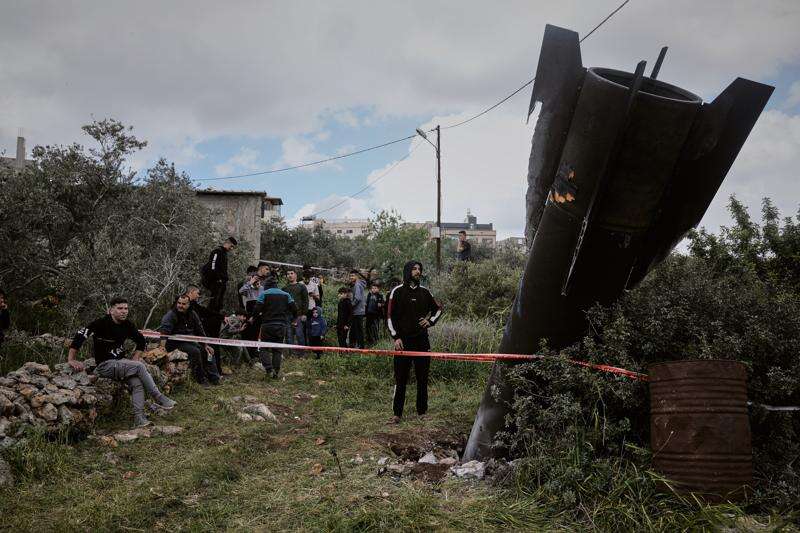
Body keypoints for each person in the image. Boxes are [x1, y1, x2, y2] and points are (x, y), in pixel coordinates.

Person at [67, 297, 176, 428]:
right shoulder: (101, 323)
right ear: (111, 310)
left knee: (136, 383)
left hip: (120, 364)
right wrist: (71, 359)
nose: (124, 311)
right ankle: (158, 397)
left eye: (126, 308)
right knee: (139, 367)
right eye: (120, 308)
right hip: (105, 365)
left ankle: (139, 419)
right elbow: (80, 336)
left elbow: (141, 341)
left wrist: (135, 359)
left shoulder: (127, 324)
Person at [387, 261, 444, 423]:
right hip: (403, 342)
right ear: (407, 271)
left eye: (419, 269)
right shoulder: (397, 291)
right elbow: (389, 317)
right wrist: (396, 337)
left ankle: (422, 412)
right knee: (400, 379)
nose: (418, 271)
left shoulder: (425, 292)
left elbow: (439, 309)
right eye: (414, 269)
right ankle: (397, 414)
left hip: (422, 342)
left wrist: (430, 321)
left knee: (422, 378)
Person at [158, 293, 220, 386]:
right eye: (179, 303)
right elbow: (164, 333)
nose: (180, 306)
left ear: (188, 305)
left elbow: (200, 329)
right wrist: (162, 348)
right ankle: (201, 379)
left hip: (189, 341)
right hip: (174, 343)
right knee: (195, 352)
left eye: (183, 304)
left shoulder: (192, 314)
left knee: (209, 351)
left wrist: (206, 345)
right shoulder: (171, 315)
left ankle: (214, 378)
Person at [251, 279, 298, 379]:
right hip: (281, 325)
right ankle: (276, 372)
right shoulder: (286, 295)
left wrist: (253, 318)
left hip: (267, 325)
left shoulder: (264, 294)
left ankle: (269, 369)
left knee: (263, 348)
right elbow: (294, 309)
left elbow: (257, 309)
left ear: (266, 286)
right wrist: (294, 320)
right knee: (277, 349)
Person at [185, 285, 226, 374]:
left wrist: (221, 317)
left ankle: (214, 373)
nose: (198, 295)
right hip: (191, 335)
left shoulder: (194, 304)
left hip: (199, 333)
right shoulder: (184, 305)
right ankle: (211, 374)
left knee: (210, 350)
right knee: (207, 351)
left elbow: (205, 312)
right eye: (197, 293)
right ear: (191, 292)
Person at [201, 236, 237, 312]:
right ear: (227, 243)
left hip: (221, 283)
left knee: (219, 304)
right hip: (215, 282)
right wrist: (218, 278)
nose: (231, 248)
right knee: (213, 303)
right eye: (231, 246)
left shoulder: (224, 254)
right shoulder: (217, 252)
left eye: (233, 247)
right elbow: (212, 266)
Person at [282, 268, 309, 347]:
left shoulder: (301, 286)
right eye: (288, 274)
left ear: (296, 275)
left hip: (298, 314)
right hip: (287, 314)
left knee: (299, 334)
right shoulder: (284, 288)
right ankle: (290, 352)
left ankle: (301, 352)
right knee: (288, 335)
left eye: (291, 273)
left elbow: (305, 300)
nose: (290, 275)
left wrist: (304, 314)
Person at [349, 269, 367, 348]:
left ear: (357, 276)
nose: (351, 277)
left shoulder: (357, 285)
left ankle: (361, 346)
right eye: (350, 276)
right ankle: (355, 344)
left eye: (353, 276)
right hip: (359, 310)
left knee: (359, 330)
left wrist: (351, 305)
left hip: (358, 311)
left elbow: (357, 298)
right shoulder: (358, 284)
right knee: (356, 329)